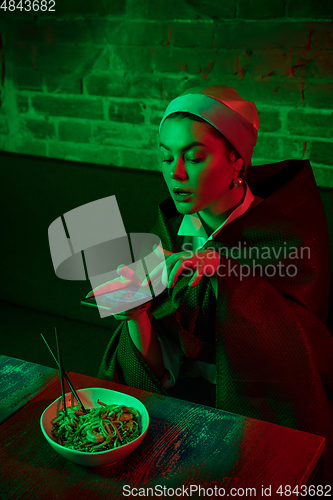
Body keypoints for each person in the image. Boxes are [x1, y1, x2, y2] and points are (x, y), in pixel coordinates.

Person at [95, 85, 333, 483]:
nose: (176, 173)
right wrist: (136, 314)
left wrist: (230, 275)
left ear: (236, 161)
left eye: (194, 156)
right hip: (181, 408)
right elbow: (164, 365)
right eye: (167, 156)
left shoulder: (289, 233)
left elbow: (306, 350)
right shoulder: (173, 231)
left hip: (256, 409)